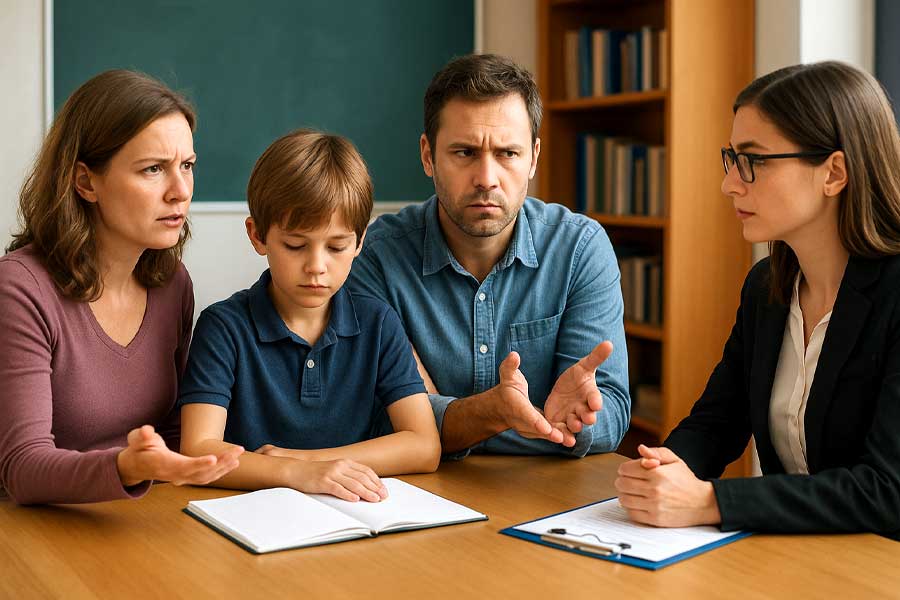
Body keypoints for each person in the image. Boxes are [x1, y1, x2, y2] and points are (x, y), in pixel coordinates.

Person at [615, 61, 900, 540]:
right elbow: (716, 423)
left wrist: (710, 501)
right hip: (795, 557)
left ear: (834, 173)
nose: (730, 183)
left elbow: (888, 491)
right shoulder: (766, 288)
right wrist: (660, 470)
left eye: (754, 160)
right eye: (731, 158)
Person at [346, 54, 630, 458]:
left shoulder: (579, 249)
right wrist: (506, 417)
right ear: (428, 155)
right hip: (422, 490)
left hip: (545, 492)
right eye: (464, 152)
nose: (486, 179)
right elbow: (374, 418)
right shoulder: (376, 257)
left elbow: (612, 415)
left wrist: (572, 421)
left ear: (533, 158)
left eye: (507, 153)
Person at [0, 70, 243, 505]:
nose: (180, 191)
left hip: (136, 517)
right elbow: (22, 467)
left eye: (187, 166)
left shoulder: (173, 284)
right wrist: (128, 466)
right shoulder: (19, 289)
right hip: (35, 528)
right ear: (85, 182)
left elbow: (172, 433)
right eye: (153, 169)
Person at [178, 129, 441, 503]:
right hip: (253, 516)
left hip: (352, 513)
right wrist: (295, 473)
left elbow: (424, 446)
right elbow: (198, 451)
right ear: (258, 236)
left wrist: (309, 462)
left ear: (360, 241)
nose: (317, 266)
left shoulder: (379, 323)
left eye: (337, 247)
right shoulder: (223, 328)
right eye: (295, 245)